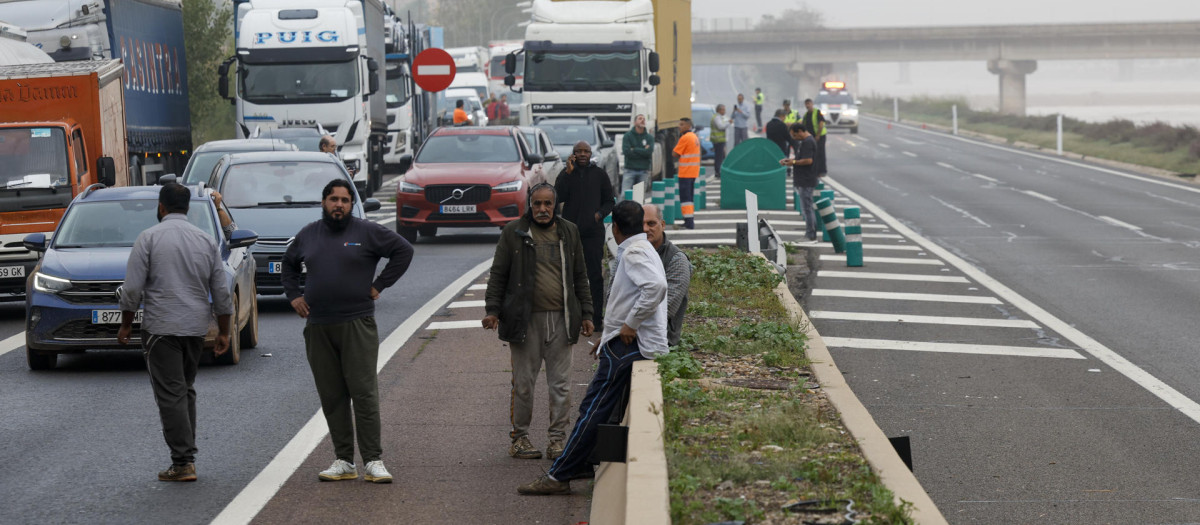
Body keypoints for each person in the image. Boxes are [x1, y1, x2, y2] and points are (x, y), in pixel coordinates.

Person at [517, 200, 668, 495]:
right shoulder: (642, 248)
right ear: (639, 225)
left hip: (631, 346)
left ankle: (559, 476)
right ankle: (582, 463)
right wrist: (612, 331)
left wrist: (630, 326)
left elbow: (656, 288)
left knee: (593, 409)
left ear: (614, 228)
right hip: (626, 341)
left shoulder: (635, 252)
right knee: (596, 408)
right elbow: (631, 296)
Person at [282, 179, 415, 484]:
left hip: (357, 324)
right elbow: (288, 264)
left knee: (364, 393)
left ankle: (373, 460)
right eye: (333, 199)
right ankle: (344, 460)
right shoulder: (308, 234)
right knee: (332, 396)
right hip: (319, 327)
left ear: (351, 204)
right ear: (323, 202)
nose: (338, 205)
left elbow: (403, 250)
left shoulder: (367, 232)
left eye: (344, 200)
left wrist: (380, 285)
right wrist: (294, 296)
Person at [117, 183, 233, 482]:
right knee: (185, 388)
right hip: (195, 329)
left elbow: (131, 290)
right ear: (188, 208)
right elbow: (221, 292)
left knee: (170, 394)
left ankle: (183, 462)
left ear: (161, 207)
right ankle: (186, 454)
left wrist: (126, 323)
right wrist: (224, 332)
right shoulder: (205, 240)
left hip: (161, 329)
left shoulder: (148, 238)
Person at [483, 183, 594, 462]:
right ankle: (519, 438)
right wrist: (492, 310)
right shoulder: (514, 232)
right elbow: (498, 274)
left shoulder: (569, 231)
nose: (542, 209)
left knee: (561, 385)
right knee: (523, 384)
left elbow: (581, 274)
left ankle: (557, 441)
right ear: (529, 205)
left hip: (562, 320)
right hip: (524, 322)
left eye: (547, 204)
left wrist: (588, 314)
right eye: (537, 204)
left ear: (555, 205)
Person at [555, 140, 614, 327]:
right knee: (568, 275)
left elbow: (609, 201)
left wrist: (598, 215)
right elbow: (557, 196)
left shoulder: (599, 174)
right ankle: (572, 317)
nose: (582, 154)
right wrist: (567, 173)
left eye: (585, 151)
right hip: (569, 233)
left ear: (590, 154)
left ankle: (596, 318)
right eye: (578, 151)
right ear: (572, 155)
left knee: (595, 274)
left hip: (593, 233)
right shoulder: (566, 174)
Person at [640, 203, 691, 346]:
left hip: (660, 339)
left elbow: (666, 309)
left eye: (651, 223)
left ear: (662, 224)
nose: (645, 229)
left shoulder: (677, 259)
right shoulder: (629, 253)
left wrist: (629, 324)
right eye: (640, 224)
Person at [781, 123, 819, 242]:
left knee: (807, 208)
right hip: (805, 178)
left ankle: (810, 234)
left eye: (795, 135)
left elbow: (808, 160)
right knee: (807, 207)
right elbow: (802, 158)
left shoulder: (808, 142)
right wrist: (791, 161)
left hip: (806, 179)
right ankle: (811, 232)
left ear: (800, 131)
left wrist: (793, 163)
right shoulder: (807, 141)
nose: (794, 138)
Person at [671, 117, 700, 230]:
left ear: (688, 126)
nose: (679, 126)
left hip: (685, 172)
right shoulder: (694, 137)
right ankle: (689, 220)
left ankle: (688, 222)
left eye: (682, 124)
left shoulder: (685, 138)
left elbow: (675, 153)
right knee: (689, 197)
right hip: (692, 172)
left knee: (685, 198)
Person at [621, 114, 654, 196]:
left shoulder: (649, 137)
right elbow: (627, 152)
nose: (642, 120)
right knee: (625, 195)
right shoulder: (627, 136)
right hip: (629, 170)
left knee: (639, 196)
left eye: (643, 119)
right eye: (640, 119)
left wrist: (634, 149)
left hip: (644, 170)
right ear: (635, 122)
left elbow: (649, 152)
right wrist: (643, 150)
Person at [803, 98, 828, 176]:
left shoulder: (817, 112)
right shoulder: (806, 115)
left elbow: (821, 123)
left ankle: (822, 171)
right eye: (806, 104)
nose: (808, 106)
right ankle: (814, 170)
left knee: (820, 153)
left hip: (820, 136)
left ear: (812, 104)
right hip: (811, 137)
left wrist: (818, 135)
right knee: (813, 154)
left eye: (809, 104)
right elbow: (804, 127)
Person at [709, 104, 730, 178]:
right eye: (723, 110)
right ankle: (718, 171)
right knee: (719, 157)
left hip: (720, 139)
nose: (724, 111)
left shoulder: (720, 117)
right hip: (718, 140)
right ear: (719, 110)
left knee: (721, 156)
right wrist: (728, 122)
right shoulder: (717, 117)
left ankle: (720, 170)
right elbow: (721, 126)